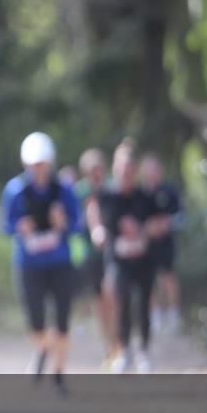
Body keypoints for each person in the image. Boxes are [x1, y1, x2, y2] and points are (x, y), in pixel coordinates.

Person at [0, 132, 80, 394]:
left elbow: (79, 224)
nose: (39, 169)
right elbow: (4, 224)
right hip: (29, 264)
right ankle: (42, 350)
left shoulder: (64, 190)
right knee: (36, 322)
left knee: (63, 320)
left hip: (59, 263)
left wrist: (63, 223)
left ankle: (58, 375)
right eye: (34, 164)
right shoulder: (15, 190)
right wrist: (19, 226)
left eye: (43, 163)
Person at [92, 140, 156, 373]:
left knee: (143, 305)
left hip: (143, 260)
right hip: (118, 260)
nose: (126, 174)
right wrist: (97, 231)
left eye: (130, 170)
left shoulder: (145, 196)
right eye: (122, 170)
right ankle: (124, 350)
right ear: (115, 169)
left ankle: (144, 351)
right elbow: (95, 215)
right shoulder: (106, 196)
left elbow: (159, 223)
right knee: (123, 301)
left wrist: (140, 229)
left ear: (135, 171)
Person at [75, 148, 118, 367]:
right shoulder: (79, 192)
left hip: (113, 252)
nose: (96, 175)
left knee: (113, 296)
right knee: (100, 302)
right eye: (92, 171)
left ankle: (118, 341)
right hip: (90, 254)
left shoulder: (112, 188)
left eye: (99, 170)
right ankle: (108, 343)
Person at [140, 154, 184, 335]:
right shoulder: (140, 194)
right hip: (146, 245)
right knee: (148, 281)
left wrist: (167, 224)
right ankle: (154, 317)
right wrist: (147, 228)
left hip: (166, 243)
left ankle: (173, 315)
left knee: (168, 278)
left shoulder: (169, 191)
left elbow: (181, 217)